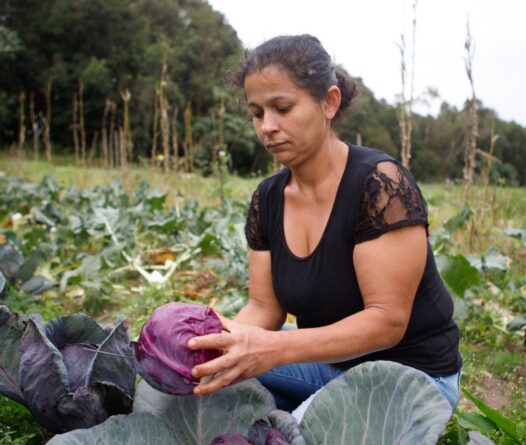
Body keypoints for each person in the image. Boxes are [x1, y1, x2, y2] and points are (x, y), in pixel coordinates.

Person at [187, 34, 462, 416]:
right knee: (203, 387)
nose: (267, 126)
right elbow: (264, 307)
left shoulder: (380, 184)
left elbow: (387, 322)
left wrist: (271, 349)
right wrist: (209, 342)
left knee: (300, 432)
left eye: (282, 108)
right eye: (256, 113)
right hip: (327, 364)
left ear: (329, 102)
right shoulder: (268, 199)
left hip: (411, 377)